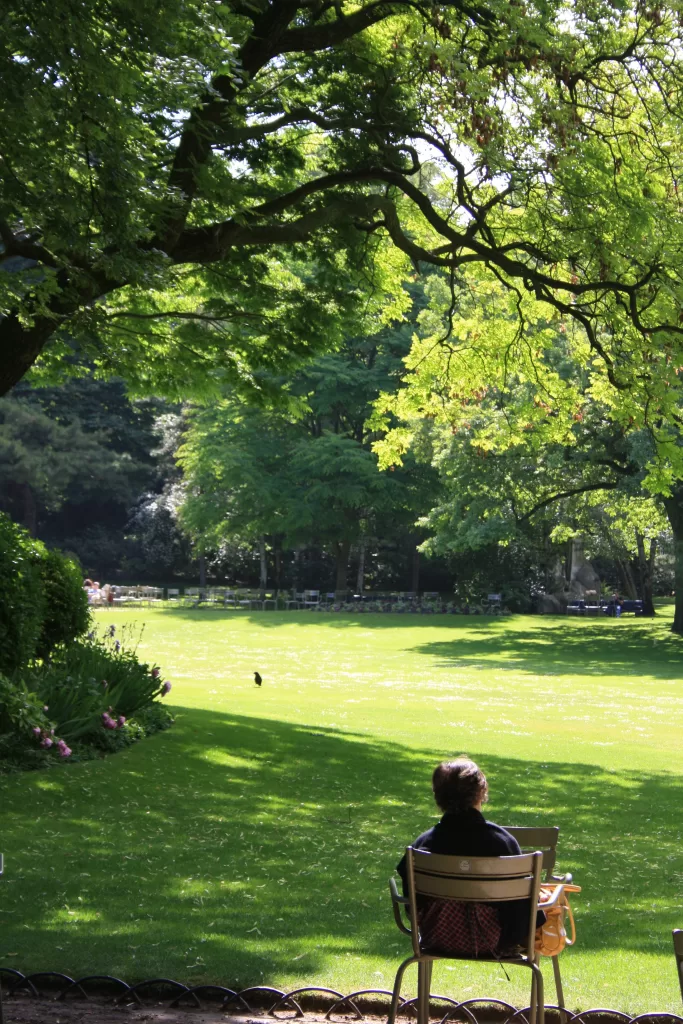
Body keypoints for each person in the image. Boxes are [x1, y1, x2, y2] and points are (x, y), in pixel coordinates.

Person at [397, 757, 541, 955]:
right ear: (480, 793)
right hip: (494, 943)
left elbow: (411, 904)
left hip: (435, 938)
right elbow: (520, 911)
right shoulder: (503, 842)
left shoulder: (422, 845)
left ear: (439, 797)